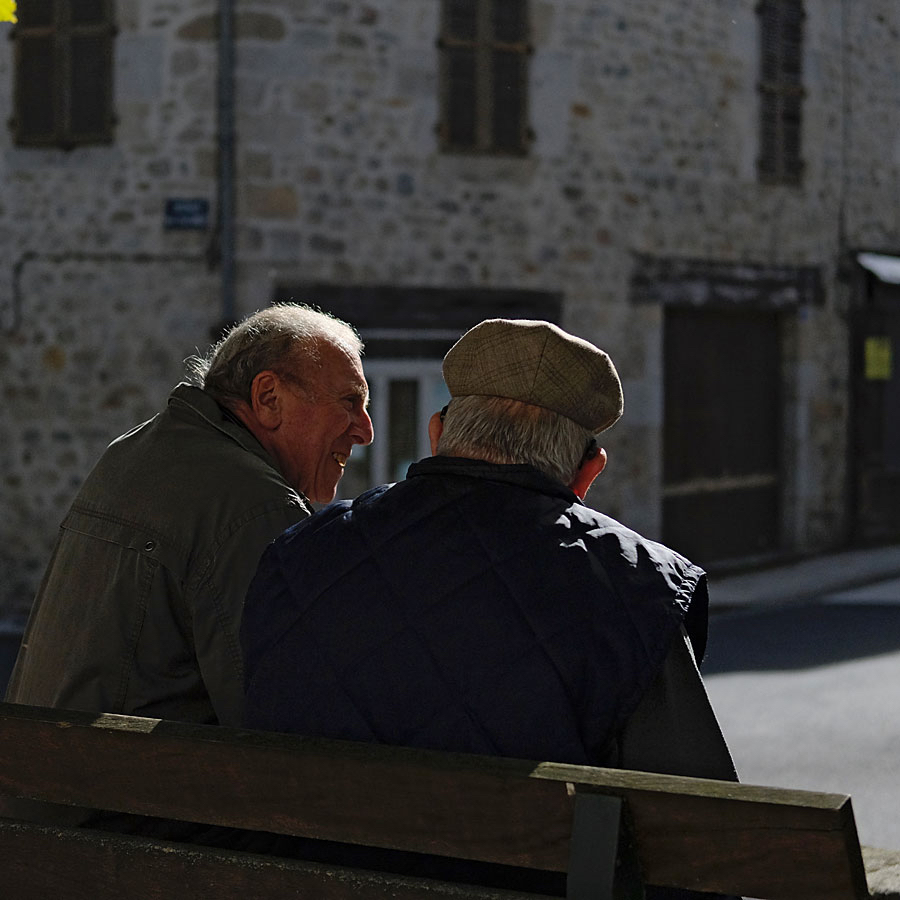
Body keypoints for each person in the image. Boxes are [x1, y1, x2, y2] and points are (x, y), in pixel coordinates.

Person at [239, 318, 737, 894]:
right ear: (588, 474)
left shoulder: (297, 555)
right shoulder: (637, 587)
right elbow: (702, 842)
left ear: (436, 434)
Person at [5, 302, 373, 729]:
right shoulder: (255, 504)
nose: (365, 430)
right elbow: (282, 723)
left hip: (42, 780)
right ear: (269, 398)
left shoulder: (133, 450)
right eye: (349, 401)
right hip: (122, 790)